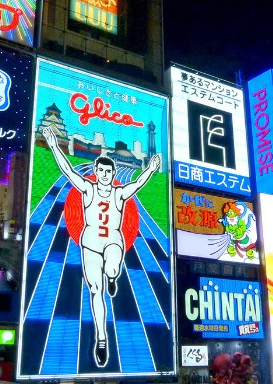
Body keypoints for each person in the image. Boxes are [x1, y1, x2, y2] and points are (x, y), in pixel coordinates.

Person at [42, 126, 161, 367]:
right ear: (96, 171)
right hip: (90, 244)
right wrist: (54, 145)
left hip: (113, 241)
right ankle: (101, 338)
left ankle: (113, 276)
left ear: (113, 172)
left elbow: (137, 184)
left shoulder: (119, 193)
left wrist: (150, 169)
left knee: (113, 268)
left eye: (109, 170)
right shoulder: (87, 188)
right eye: (101, 170)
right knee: (96, 292)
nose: (105, 174)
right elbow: (67, 170)